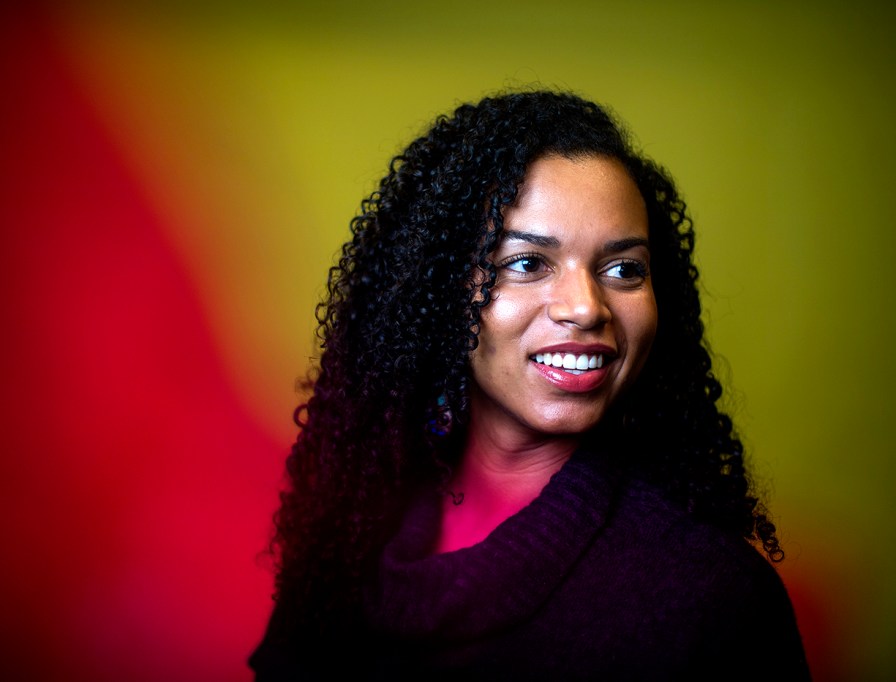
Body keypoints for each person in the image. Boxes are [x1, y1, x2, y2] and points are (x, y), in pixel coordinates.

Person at [250, 90, 809, 680]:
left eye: (624, 269)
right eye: (527, 263)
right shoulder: (348, 533)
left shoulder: (713, 595)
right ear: (438, 290)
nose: (586, 308)